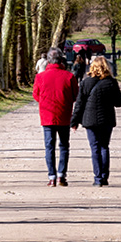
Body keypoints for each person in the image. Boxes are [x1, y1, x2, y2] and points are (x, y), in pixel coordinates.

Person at [70, 54, 121, 186]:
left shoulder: (85, 83)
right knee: (104, 146)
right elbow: (119, 103)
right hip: (107, 119)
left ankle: (97, 178)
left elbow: (79, 104)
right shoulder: (112, 82)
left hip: (90, 119)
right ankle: (104, 177)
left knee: (95, 148)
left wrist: (74, 121)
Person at [31, 46, 78, 186]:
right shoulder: (69, 76)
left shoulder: (40, 77)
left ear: (48, 60)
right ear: (61, 60)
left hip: (47, 116)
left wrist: (45, 101)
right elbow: (75, 95)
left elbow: (36, 95)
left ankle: (51, 176)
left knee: (49, 146)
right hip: (64, 115)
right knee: (64, 146)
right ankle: (61, 175)